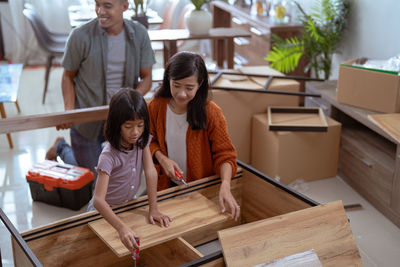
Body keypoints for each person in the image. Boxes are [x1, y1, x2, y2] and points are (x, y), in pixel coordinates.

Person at [46, 0, 155, 176]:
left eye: (107, 6)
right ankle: (61, 147)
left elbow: (147, 77)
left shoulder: (139, 34)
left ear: (124, 6)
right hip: (87, 122)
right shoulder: (80, 36)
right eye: (97, 4)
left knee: (116, 178)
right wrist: (69, 110)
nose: (100, 11)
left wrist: (130, 103)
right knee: (92, 179)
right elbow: (68, 76)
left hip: (121, 119)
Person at [148, 51, 240, 221]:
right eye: (176, 85)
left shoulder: (211, 113)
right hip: (165, 187)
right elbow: (148, 142)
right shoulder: (156, 107)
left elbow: (226, 156)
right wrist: (162, 159)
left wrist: (225, 184)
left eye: (189, 88)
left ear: (200, 84)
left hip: (200, 189)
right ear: (168, 80)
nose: (182, 94)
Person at [89, 88, 172, 253]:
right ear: (116, 125)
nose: (135, 132)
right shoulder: (108, 155)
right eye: (128, 126)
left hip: (126, 206)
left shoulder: (141, 141)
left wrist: (153, 208)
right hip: (102, 213)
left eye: (140, 125)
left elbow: (150, 172)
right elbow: (98, 201)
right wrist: (120, 227)